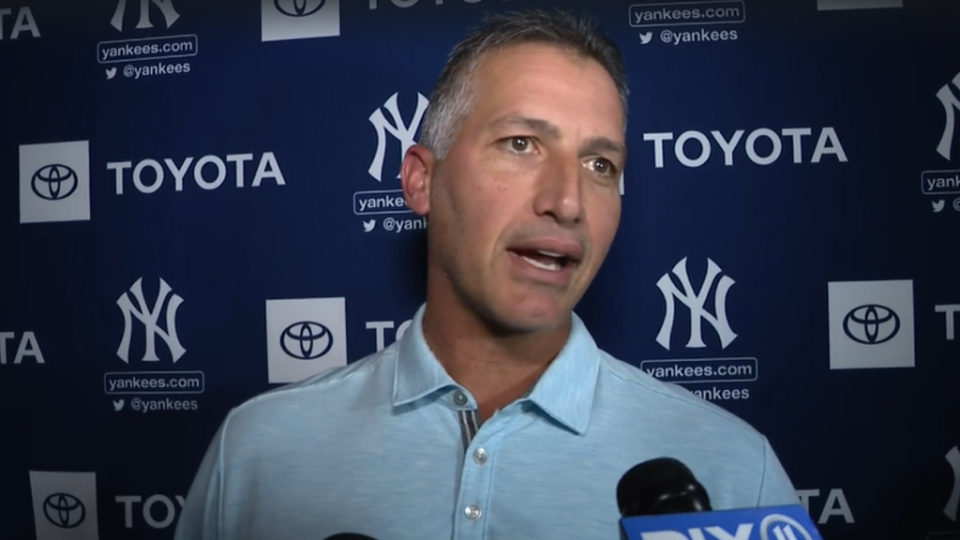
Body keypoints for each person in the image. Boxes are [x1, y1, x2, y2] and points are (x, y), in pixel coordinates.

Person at [174, 9, 798, 540]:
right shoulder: (257, 453)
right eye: (522, 144)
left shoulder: (736, 470)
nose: (569, 200)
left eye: (600, 163)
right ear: (422, 180)